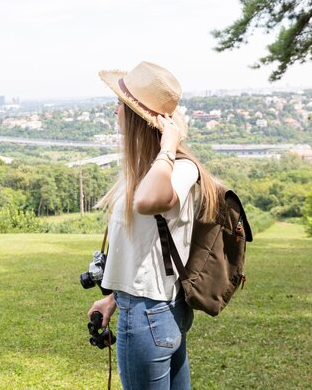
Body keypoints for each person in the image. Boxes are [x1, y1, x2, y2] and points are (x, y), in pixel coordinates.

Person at [87, 61, 219, 390]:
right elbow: (147, 252)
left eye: (121, 104)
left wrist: (169, 146)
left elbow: (147, 202)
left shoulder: (179, 169)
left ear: (135, 117)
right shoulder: (150, 170)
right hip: (151, 309)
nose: (115, 110)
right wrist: (114, 299)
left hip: (149, 317)